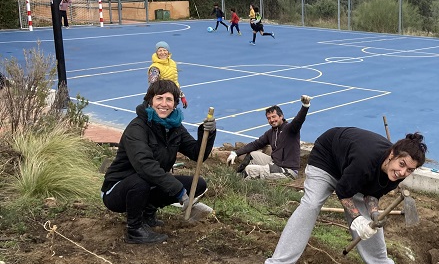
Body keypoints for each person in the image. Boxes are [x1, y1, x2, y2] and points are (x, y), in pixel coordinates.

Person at [260, 128, 427, 264]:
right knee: (310, 206)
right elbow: (343, 192)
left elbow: (371, 194)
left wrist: (374, 214)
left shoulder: (396, 173)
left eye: (410, 170)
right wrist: (357, 219)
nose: (403, 172)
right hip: (327, 160)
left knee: (371, 221)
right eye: (402, 164)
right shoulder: (365, 160)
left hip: (351, 170)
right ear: (392, 155)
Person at [101, 79, 217, 244]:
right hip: (117, 191)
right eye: (159, 98)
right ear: (150, 101)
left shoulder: (174, 127)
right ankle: (135, 230)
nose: (164, 104)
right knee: (141, 179)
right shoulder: (138, 128)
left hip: (148, 183)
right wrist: (179, 192)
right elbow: (145, 165)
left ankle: (148, 213)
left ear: (175, 103)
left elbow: (197, 154)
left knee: (197, 184)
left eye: (169, 99)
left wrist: (208, 133)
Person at [226, 96, 311, 179]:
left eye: (274, 117)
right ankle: (236, 175)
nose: (271, 120)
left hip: (287, 171)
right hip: (275, 163)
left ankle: (238, 182)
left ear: (281, 116)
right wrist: (235, 153)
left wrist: (305, 106)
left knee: (250, 170)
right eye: (269, 118)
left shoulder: (290, 129)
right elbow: (256, 144)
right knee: (252, 155)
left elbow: (298, 120)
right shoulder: (271, 133)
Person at [147, 41, 188, 108]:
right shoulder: (155, 68)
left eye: (164, 50)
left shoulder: (172, 63)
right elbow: (153, 87)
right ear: (156, 53)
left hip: (172, 97)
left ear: (168, 52)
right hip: (161, 100)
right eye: (160, 50)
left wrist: (182, 96)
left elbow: (175, 82)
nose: (162, 53)